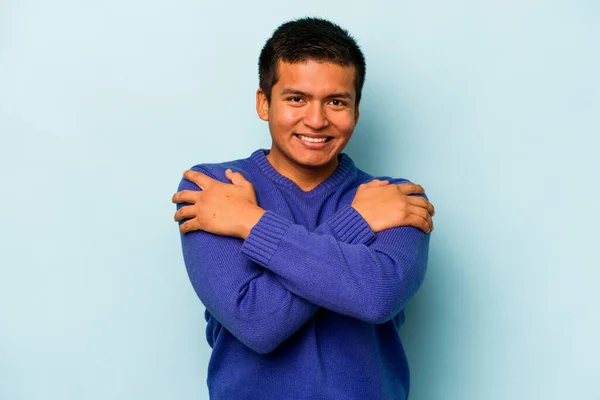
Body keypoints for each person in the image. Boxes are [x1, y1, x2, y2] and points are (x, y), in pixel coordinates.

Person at [172, 17, 435, 400]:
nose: (316, 120)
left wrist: (249, 221)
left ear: (356, 110)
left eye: (336, 102)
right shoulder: (214, 190)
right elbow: (257, 321)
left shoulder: (396, 199)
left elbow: (376, 297)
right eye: (296, 98)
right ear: (264, 103)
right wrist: (359, 223)